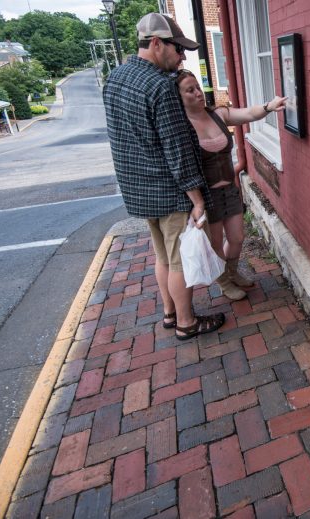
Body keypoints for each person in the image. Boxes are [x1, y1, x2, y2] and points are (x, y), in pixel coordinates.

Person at [103, 13, 224, 340]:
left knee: (162, 255)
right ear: (156, 43)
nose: (183, 56)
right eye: (178, 48)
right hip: (170, 190)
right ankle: (187, 323)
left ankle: (170, 313)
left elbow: (120, 138)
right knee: (179, 261)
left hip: (139, 190)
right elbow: (177, 148)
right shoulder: (161, 86)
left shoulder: (116, 78)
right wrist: (197, 200)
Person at [174, 70, 286, 300]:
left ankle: (232, 272)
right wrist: (196, 202)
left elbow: (247, 114)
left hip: (229, 190)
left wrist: (269, 106)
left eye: (197, 87)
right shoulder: (181, 127)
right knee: (215, 243)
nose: (198, 93)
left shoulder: (218, 115)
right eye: (190, 90)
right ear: (179, 97)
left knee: (236, 237)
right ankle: (224, 283)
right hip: (207, 196)